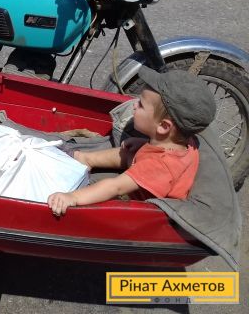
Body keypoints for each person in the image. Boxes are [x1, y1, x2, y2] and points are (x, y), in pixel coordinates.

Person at [47, 66, 216, 216]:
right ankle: (86, 158)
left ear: (164, 126)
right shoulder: (182, 142)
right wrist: (142, 144)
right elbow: (160, 154)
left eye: (141, 105)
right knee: (129, 150)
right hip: (145, 171)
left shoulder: (160, 167)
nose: (134, 105)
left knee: (104, 186)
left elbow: (116, 187)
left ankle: (81, 177)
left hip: (138, 202)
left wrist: (73, 197)